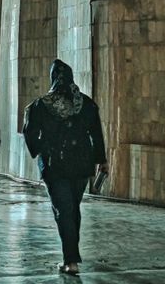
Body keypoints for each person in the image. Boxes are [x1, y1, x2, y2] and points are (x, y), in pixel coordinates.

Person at [23, 59, 108, 276]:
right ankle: (71, 257)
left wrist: (41, 150)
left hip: (55, 165)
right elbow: (96, 134)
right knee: (73, 208)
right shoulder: (86, 104)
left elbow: (29, 132)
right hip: (81, 165)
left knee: (63, 210)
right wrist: (101, 160)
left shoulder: (41, 105)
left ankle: (70, 260)